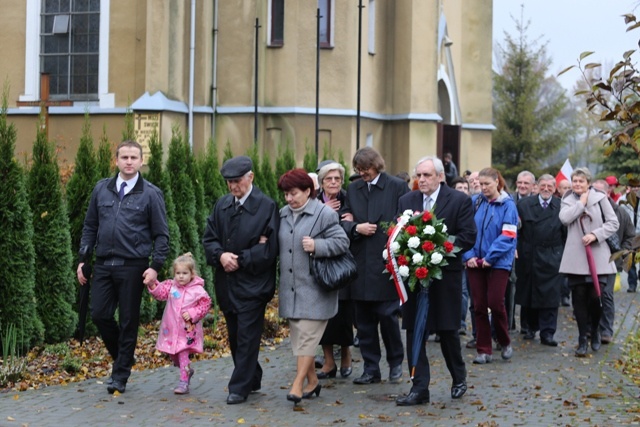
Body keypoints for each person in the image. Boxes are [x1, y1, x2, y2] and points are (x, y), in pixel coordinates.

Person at [77, 140, 170, 394]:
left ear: (141, 161)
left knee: (129, 321)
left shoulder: (151, 193)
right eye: (124, 157)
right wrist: (83, 260)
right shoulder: (101, 190)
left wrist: (155, 267)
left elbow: (161, 235)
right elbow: (89, 227)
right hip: (104, 265)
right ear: (116, 160)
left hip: (133, 267)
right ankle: (124, 357)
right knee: (99, 314)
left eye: (134, 157)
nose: (129, 162)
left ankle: (120, 376)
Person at [395, 156, 476, 405]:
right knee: (414, 331)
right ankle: (419, 388)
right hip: (415, 279)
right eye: (419, 175)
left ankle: (458, 377)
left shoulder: (459, 200)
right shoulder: (406, 200)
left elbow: (468, 236)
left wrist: (437, 251)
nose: (421, 180)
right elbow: (397, 234)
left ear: (440, 176)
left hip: (445, 277)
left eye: (427, 175)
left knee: (448, 331)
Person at [202, 155, 279, 405]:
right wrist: (221, 255)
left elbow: (270, 249)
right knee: (236, 336)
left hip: (254, 285)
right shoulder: (223, 204)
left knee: (247, 336)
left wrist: (242, 259)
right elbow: (209, 238)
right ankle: (252, 376)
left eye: (237, 181)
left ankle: (239, 387)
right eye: (229, 182)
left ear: (251, 177)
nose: (233, 187)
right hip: (227, 283)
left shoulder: (266, 206)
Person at [277, 169, 351, 405]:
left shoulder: (323, 214)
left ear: (308, 191)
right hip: (291, 290)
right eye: (286, 194)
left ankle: (297, 384)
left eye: (294, 193)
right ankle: (313, 382)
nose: (290, 198)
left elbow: (342, 242)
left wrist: (317, 245)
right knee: (299, 341)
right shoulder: (283, 214)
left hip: (317, 289)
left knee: (307, 339)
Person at [342, 147, 409, 385]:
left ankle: (395, 363)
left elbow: (406, 219)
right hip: (360, 261)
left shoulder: (396, 186)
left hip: (386, 262)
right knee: (364, 321)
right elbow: (344, 220)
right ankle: (371, 368)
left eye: (366, 169)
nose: (362, 174)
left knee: (388, 316)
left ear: (376, 165)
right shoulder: (353, 188)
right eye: (358, 170)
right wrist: (356, 228)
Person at [559, 167, 618, 357]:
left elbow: (613, 223)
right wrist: (581, 203)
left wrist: (595, 234)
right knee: (579, 300)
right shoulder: (567, 199)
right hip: (576, 256)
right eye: (575, 181)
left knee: (595, 298)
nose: (577, 184)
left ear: (588, 183)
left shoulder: (601, 199)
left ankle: (596, 331)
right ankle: (582, 338)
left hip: (598, 254)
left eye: (581, 181)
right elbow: (564, 218)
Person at [462, 167, 518, 364]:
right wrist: (468, 255)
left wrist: (490, 258)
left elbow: (508, 235)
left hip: (498, 262)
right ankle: (483, 349)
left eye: (487, 184)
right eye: (480, 184)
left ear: (497, 182)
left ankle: (504, 340)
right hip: (474, 262)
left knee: (495, 303)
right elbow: (465, 230)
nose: (483, 187)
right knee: (478, 306)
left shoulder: (508, 205)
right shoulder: (475, 202)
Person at [147, 253, 212, 394]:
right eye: (178, 273)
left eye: (184, 273)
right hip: (171, 329)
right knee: (174, 355)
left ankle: (183, 381)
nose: (181, 276)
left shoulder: (197, 290)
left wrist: (194, 313)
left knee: (182, 353)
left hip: (187, 331)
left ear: (192, 274)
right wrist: (153, 284)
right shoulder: (172, 287)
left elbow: (206, 304)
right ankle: (186, 369)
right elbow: (160, 293)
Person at [515, 174, 566, 347]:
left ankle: (548, 332)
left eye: (550, 187)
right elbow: (517, 231)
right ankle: (530, 327)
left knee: (550, 296)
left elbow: (565, 234)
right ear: (536, 186)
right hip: (529, 255)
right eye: (543, 186)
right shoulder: (524, 205)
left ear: (555, 188)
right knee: (530, 293)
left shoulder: (561, 206)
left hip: (552, 256)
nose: (546, 189)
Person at [315, 162, 354, 379]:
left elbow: (354, 227)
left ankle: (346, 354)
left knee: (344, 312)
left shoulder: (349, 199)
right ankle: (328, 361)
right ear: (321, 182)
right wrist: (323, 212)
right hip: (321, 263)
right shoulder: (314, 201)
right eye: (329, 179)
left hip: (344, 264)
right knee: (324, 314)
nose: (333, 182)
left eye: (337, 179)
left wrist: (352, 222)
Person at [592, 179, 634, 344]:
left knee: (607, 295)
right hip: (590, 261)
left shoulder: (620, 212)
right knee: (591, 296)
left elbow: (630, 235)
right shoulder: (586, 210)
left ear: (608, 191)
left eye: (600, 191)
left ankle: (606, 331)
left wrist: (622, 253)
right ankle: (590, 328)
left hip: (610, 261)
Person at [450, 177, 473, 338]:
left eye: (466, 188)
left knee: (463, 293)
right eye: (460, 187)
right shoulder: (451, 205)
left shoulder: (471, 205)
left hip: (469, 256)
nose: (463, 191)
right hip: (455, 255)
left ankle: (461, 323)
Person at [619, 178, 640, 293]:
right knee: (629, 259)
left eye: (638, 186)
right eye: (633, 186)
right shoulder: (622, 200)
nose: (636, 188)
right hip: (630, 235)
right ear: (628, 188)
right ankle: (632, 283)